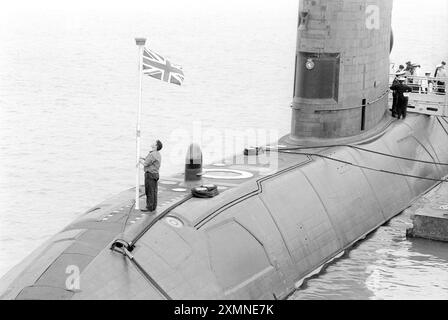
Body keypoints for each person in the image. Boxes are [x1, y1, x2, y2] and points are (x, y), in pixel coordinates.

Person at [139, 140, 163, 213]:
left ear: (156, 146)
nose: (152, 144)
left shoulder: (152, 154)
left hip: (150, 174)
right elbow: (150, 161)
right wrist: (143, 158)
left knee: (149, 191)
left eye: (154, 143)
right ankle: (153, 206)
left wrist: (140, 160)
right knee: (154, 191)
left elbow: (146, 164)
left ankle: (149, 207)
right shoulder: (158, 154)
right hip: (155, 174)